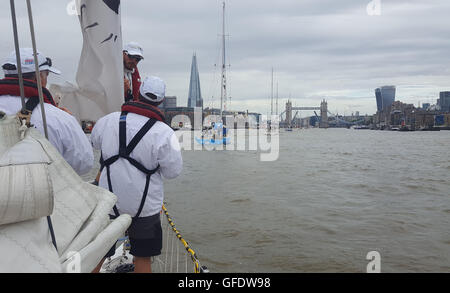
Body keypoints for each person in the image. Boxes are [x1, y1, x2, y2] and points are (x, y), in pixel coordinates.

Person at [90, 76, 182, 273]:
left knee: (96, 254)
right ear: (161, 101)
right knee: (142, 258)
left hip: (108, 203)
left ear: (138, 94)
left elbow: (95, 144)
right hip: (145, 208)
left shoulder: (108, 121)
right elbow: (173, 172)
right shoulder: (164, 132)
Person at [0, 48, 94, 175]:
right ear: (39, 76)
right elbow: (84, 163)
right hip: (44, 192)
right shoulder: (59, 118)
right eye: (46, 75)